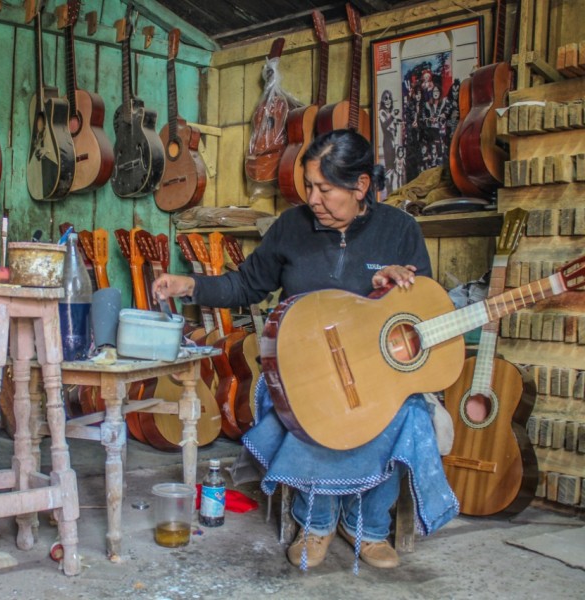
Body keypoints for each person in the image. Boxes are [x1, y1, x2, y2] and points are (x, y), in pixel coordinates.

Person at [152, 129, 458, 572]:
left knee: (406, 412)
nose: (312, 198)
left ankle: (366, 526)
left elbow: (420, 316)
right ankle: (315, 523)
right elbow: (246, 284)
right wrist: (190, 284)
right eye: (309, 186)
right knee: (319, 411)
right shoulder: (292, 228)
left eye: (325, 189)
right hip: (303, 371)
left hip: (376, 374)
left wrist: (394, 289)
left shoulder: (399, 231)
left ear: (361, 187)